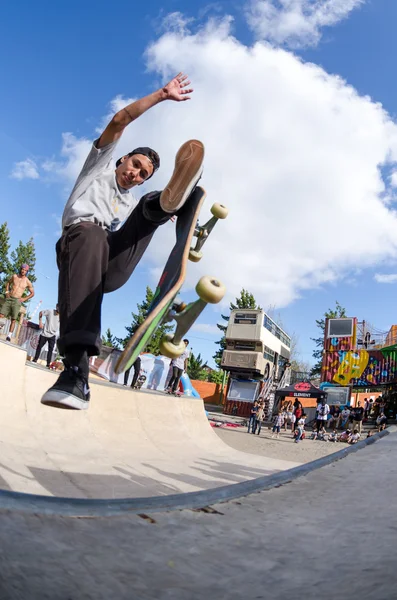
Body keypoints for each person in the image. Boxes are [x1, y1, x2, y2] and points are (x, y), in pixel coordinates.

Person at [40, 72, 204, 410]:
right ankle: (75, 370)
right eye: (135, 165)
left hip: (107, 267)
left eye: (144, 174)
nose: (135, 174)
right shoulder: (98, 168)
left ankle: (165, 203)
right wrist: (162, 94)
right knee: (93, 232)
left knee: (144, 212)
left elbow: (124, 239)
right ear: (122, 160)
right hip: (77, 245)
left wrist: (157, 217)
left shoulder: (129, 200)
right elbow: (120, 119)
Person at [0, 264, 34, 342]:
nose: (23, 271)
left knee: (14, 319)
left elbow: (32, 293)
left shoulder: (27, 281)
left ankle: (9, 336)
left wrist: (24, 298)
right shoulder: (15, 276)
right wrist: (7, 292)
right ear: (20, 269)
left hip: (17, 300)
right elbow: (8, 283)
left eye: (25, 270)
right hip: (9, 298)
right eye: (22, 269)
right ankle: (1, 325)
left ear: (27, 271)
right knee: (1, 314)